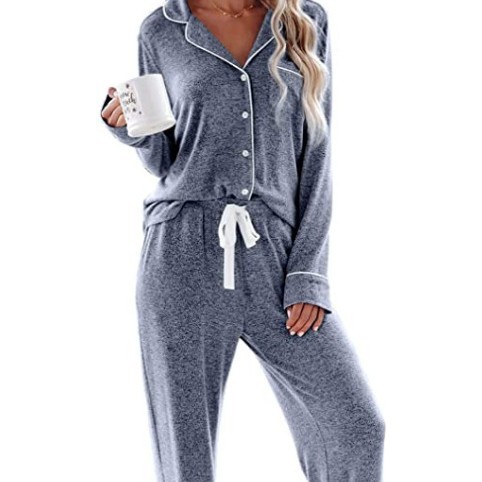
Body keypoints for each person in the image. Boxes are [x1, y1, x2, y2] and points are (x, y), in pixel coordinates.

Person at [100, 0, 386, 480]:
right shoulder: (161, 29)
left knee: (355, 427)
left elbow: (317, 157)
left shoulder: (304, 19)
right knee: (187, 457)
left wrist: (308, 273)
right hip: (182, 249)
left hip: (275, 251)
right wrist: (129, 129)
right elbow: (164, 157)